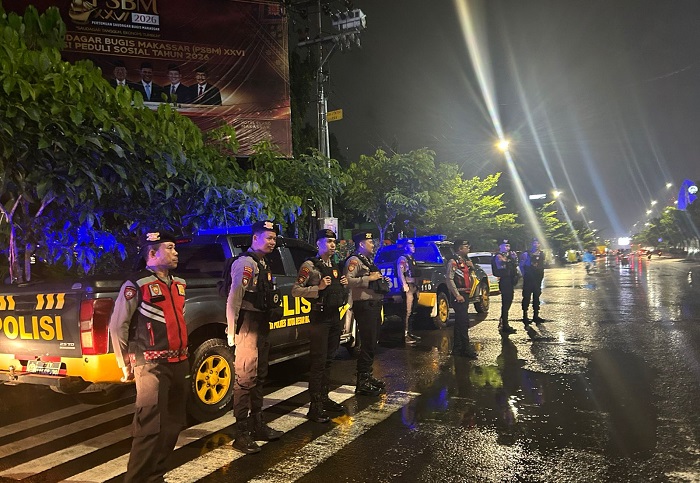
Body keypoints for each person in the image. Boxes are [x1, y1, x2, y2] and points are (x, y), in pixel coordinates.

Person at [108, 230, 189, 483]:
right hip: (151, 365)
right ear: (152, 253)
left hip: (180, 362)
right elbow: (118, 326)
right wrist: (124, 363)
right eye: (170, 248)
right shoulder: (136, 284)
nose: (175, 252)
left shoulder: (180, 283)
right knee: (149, 427)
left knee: (173, 424)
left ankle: (155, 476)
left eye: (175, 248)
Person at [226, 220, 283, 454]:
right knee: (245, 378)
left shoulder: (262, 262)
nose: (272, 242)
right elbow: (234, 299)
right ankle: (241, 434)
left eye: (274, 238)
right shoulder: (245, 264)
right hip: (248, 324)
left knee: (259, 375)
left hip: (261, 324)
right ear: (255, 238)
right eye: (268, 237)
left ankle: (258, 425)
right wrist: (232, 331)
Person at [291, 229, 349, 423]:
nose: (333, 245)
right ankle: (314, 406)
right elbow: (296, 290)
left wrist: (343, 284)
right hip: (320, 317)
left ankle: (324, 397)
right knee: (318, 361)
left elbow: (339, 290)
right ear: (318, 243)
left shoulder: (335, 265)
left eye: (334, 242)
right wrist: (318, 288)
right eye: (328, 241)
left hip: (334, 316)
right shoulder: (309, 266)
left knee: (329, 360)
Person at [344, 231, 387, 397]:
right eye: (370, 242)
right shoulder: (354, 261)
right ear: (361, 244)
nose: (373, 245)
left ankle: (368, 375)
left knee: (372, 342)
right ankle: (362, 381)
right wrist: (369, 279)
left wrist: (380, 280)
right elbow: (347, 280)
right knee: (367, 343)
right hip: (364, 306)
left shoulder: (368, 261)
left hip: (374, 305)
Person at [445, 240, 478, 358]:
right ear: (459, 248)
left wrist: (472, 267)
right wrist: (457, 294)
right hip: (459, 295)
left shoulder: (464, 261)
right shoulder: (453, 261)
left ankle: (457, 348)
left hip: (465, 294)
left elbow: (469, 276)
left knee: (460, 323)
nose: (468, 248)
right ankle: (466, 349)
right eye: (465, 247)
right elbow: (449, 279)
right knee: (463, 323)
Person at [396, 238, 421, 345]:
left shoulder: (412, 258)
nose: (413, 248)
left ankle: (410, 332)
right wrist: (404, 285)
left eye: (413, 246)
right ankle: (405, 335)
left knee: (413, 311)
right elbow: (400, 273)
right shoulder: (403, 258)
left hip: (414, 286)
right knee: (407, 311)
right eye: (410, 246)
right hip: (408, 287)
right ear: (406, 247)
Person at [492, 240, 520, 335]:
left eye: (508, 246)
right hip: (505, 281)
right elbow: (502, 267)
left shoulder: (509, 255)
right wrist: (509, 259)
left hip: (510, 281)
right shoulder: (498, 256)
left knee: (509, 301)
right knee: (506, 302)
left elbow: (514, 266)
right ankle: (505, 324)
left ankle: (503, 321)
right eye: (505, 246)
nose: (507, 248)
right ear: (500, 246)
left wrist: (513, 259)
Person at [520, 238, 546, 325]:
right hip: (529, 279)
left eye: (537, 243)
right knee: (526, 297)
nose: (536, 245)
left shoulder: (542, 254)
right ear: (531, 244)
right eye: (534, 243)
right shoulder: (526, 254)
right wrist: (524, 275)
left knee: (537, 297)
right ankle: (525, 316)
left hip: (537, 279)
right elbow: (522, 265)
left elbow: (542, 265)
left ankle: (536, 316)